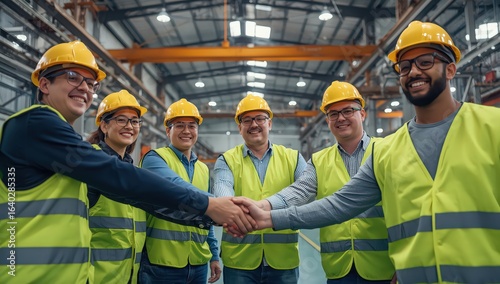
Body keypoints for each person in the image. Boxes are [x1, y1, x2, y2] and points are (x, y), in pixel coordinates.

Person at [234, 21, 500, 284]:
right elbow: (337, 204)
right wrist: (267, 215)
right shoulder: (388, 151)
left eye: (426, 62)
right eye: (405, 67)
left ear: (451, 69)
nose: (414, 72)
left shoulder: (493, 127)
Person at [0, 40, 255, 284]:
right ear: (44, 84)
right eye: (72, 77)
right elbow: (121, 178)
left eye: (90, 83)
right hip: (28, 274)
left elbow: (139, 198)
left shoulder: (60, 144)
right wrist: (208, 204)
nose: (85, 88)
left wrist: (208, 215)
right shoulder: (35, 125)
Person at [253, 81, 394, 283]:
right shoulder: (319, 160)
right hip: (338, 269)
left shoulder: (386, 151)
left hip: (384, 268)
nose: (341, 118)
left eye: (348, 111)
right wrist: (261, 206)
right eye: (333, 114)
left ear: (362, 114)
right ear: (327, 120)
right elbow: (298, 192)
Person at [213, 94, 307, 284]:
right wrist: (232, 209)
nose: (254, 124)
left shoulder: (293, 158)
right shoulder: (226, 160)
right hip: (240, 261)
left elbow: (305, 193)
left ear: (269, 123)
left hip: (283, 260)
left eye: (260, 118)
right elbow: (223, 194)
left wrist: (261, 208)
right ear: (239, 127)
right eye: (246, 120)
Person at [139, 98, 221, 284]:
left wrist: (214, 255)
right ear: (168, 131)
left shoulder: (203, 169)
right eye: (179, 125)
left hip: (198, 262)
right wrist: (221, 204)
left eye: (192, 126)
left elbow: (206, 216)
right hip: (161, 263)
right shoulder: (155, 159)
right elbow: (177, 187)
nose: (186, 131)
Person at [86, 90, 149, 283]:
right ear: (104, 125)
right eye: (121, 120)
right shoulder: (91, 163)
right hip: (97, 276)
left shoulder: (131, 168)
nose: (129, 126)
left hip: (129, 274)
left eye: (135, 121)